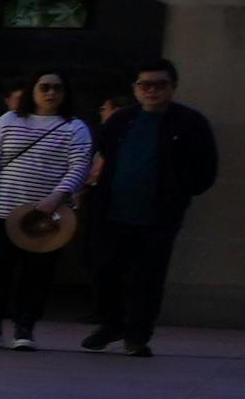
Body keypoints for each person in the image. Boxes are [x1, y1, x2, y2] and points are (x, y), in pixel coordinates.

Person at [81, 57, 218, 356]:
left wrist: (179, 194)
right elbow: (101, 155)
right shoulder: (120, 120)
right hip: (112, 212)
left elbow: (206, 169)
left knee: (148, 278)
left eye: (160, 85)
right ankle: (111, 323)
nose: (152, 91)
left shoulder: (190, 123)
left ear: (173, 87)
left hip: (158, 216)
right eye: (145, 85)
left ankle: (137, 335)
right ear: (135, 88)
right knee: (105, 271)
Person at [0, 69, 93, 352]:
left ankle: (25, 328)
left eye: (57, 88)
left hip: (46, 215)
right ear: (32, 90)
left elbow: (79, 166)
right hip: (3, 209)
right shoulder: (8, 120)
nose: (50, 93)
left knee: (37, 274)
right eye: (44, 86)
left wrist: (57, 196)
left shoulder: (74, 127)